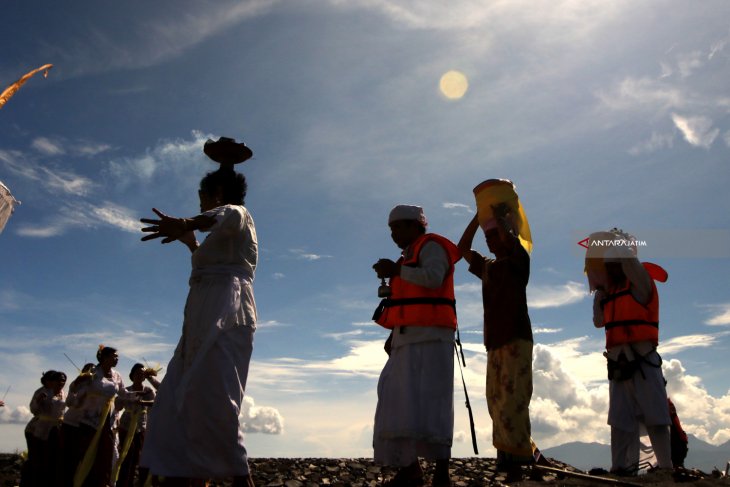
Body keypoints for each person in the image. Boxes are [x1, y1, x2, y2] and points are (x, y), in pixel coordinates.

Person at [139, 137, 258, 487]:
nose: (201, 204)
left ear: (215, 196)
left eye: (203, 198)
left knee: (215, 392)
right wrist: (189, 240)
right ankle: (182, 472)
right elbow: (205, 251)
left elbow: (225, 215)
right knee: (176, 395)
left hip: (228, 307)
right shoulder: (216, 238)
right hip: (201, 311)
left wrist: (189, 222)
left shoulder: (237, 214)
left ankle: (239, 477)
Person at [371, 204, 460, 487]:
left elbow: (433, 278)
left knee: (434, 402)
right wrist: (394, 334)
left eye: (398, 227)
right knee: (397, 401)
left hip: (433, 337)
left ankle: (440, 474)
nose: (394, 233)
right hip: (407, 338)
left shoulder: (431, 247)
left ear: (414, 226)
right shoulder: (408, 255)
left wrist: (396, 270)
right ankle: (410, 469)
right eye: (391, 228)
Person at [585, 229, 672, 475]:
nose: (609, 269)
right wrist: (599, 293)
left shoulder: (641, 283)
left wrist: (615, 241)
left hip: (644, 361)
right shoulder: (608, 293)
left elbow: (628, 261)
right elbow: (599, 321)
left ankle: (665, 467)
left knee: (655, 415)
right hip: (618, 364)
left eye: (612, 263)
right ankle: (621, 467)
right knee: (620, 420)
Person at [458, 206, 534, 475]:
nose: (490, 240)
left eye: (494, 236)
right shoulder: (487, 268)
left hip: (515, 335)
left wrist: (500, 221)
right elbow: (462, 248)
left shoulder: (519, 259)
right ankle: (509, 454)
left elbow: (510, 240)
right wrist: (478, 219)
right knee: (496, 400)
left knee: (514, 397)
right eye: (487, 237)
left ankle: (516, 459)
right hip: (495, 340)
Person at [74, 346, 139, 487]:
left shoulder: (117, 375)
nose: (117, 359)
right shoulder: (93, 373)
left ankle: (103, 483)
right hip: (90, 419)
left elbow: (123, 392)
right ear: (104, 357)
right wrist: (78, 381)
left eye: (117, 357)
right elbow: (76, 389)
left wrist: (136, 397)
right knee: (88, 454)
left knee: (106, 455)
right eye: (114, 356)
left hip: (108, 419)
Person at [20, 370, 66, 487]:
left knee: (51, 458)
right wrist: (39, 401)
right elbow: (34, 410)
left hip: (55, 428)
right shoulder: (41, 392)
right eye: (58, 380)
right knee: (36, 459)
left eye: (63, 380)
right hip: (37, 429)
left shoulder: (63, 394)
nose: (61, 383)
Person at [115, 364, 157, 487]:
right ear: (132, 375)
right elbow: (118, 406)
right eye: (137, 373)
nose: (140, 375)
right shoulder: (126, 390)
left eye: (142, 374)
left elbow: (155, 403)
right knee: (124, 456)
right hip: (126, 425)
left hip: (140, 426)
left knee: (137, 457)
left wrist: (142, 402)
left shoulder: (148, 391)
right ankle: (121, 482)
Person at [60, 363, 95, 487]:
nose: (90, 372)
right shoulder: (76, 384)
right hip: (71, 423)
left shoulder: (98, 385)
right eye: (87, 370)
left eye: (93, 370)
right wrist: (78, 401)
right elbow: (69, 402)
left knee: (83, 457)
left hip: (88, 425)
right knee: (68, 457)